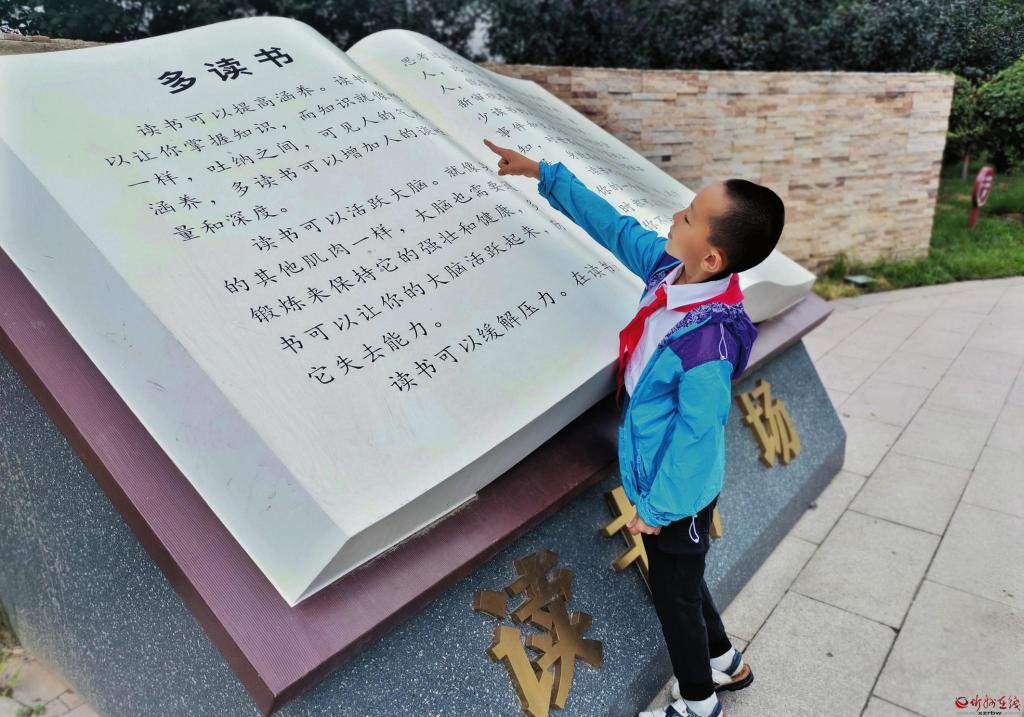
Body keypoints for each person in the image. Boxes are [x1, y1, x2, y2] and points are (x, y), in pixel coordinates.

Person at [483, 139, 784, 717]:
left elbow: (698, 435)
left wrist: (659, 507)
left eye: (689, 217)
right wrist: (544, 174)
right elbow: (615, 228)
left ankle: (699, 703)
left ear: (713, 259)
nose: (676, 216)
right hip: (662, 482)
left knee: (673, 595)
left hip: (679, 490)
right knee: (682, 578)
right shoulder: (673, 272)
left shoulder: (708, 344)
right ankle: (725, 661)